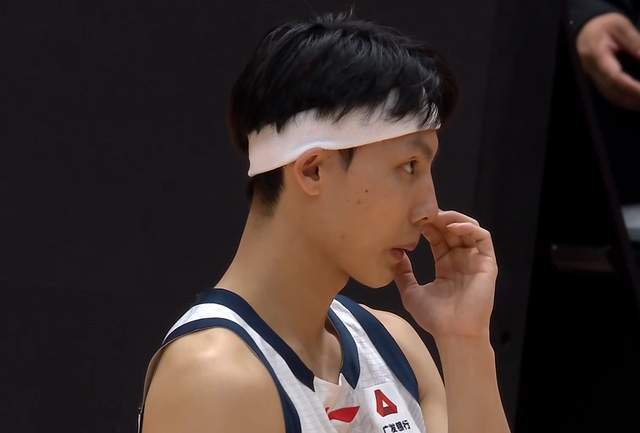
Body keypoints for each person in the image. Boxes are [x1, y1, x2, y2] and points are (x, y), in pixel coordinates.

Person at [136, 10, 511, 433]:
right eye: (409, 166)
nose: (429, 208)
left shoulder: (395, 346)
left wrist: (465, 340)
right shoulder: (215, 377)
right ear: (313, 170)